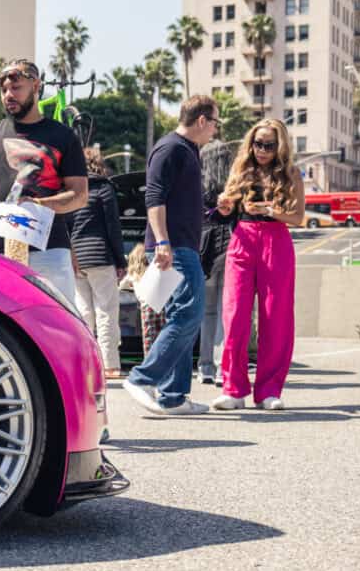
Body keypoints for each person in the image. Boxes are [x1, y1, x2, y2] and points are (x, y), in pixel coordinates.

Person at [0, 59, 87, 300]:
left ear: (36, 87)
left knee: (56, 328)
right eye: (4, 90)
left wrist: (38, 206)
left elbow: (79, 195)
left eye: (16, 88)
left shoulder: (63, 136)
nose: (8, 95)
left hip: (48, 250)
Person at [122, 95, 220, 416]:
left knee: (184, 316)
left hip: (182, 245)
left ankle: (173, 397)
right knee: (188, 314)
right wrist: (162, 242)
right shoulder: (171, 148)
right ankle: (142, 377)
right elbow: (155, 197)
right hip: (173, 247)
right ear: (202, 121)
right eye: (215, 123)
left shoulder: (188, 151)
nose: (216, 131)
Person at [210, 119, 304, 411]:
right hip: (243, 239)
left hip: (276, 241)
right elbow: (226, 210)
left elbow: (298, 217)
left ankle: (268, 391)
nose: (262, 150)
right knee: (234, 315)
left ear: (280, 147)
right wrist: (225, 206)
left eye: (269, 145)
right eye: (257, 143)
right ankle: (233, 389)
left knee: (275, 318)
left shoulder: (291, 175)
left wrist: (272, 211)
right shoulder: (240, 171)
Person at [71, 146, 128, 378]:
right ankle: (110, 365)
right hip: (100, 256)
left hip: (76, 259)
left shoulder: (72, 189)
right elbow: (113, 227)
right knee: (106, 311)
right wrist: (120, 259)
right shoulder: (104, 187)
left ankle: (85, 364)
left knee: (83, 313)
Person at [197, 138, 234, 384]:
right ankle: (224, 366)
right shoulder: (233, 187)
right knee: (226, 312)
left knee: (207, 312)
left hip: (204, 249)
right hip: (230, 246)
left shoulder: (198, 185)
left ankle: (205, 366)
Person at [122, 242, 165, 356]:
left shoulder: (132, 274)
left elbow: (122, 286)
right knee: (162, 333)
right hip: (160, 304)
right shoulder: (151, 272)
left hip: (146, 307)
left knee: (149, 336)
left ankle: (149, 359)